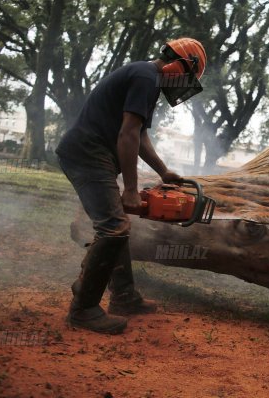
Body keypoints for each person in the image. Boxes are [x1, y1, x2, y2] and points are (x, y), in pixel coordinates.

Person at [56, 37, 207, 334]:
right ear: (179, 64)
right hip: (87, 153)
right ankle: (83, 309)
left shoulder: (146, 77)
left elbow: (139, 135)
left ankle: (124, 297)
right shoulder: (145, 77)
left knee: (117, 225)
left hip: (92, 153)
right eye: (187, 77)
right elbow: (127, 135)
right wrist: (129, 189)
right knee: (113, 227)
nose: (183, 85)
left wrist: (164, 172)